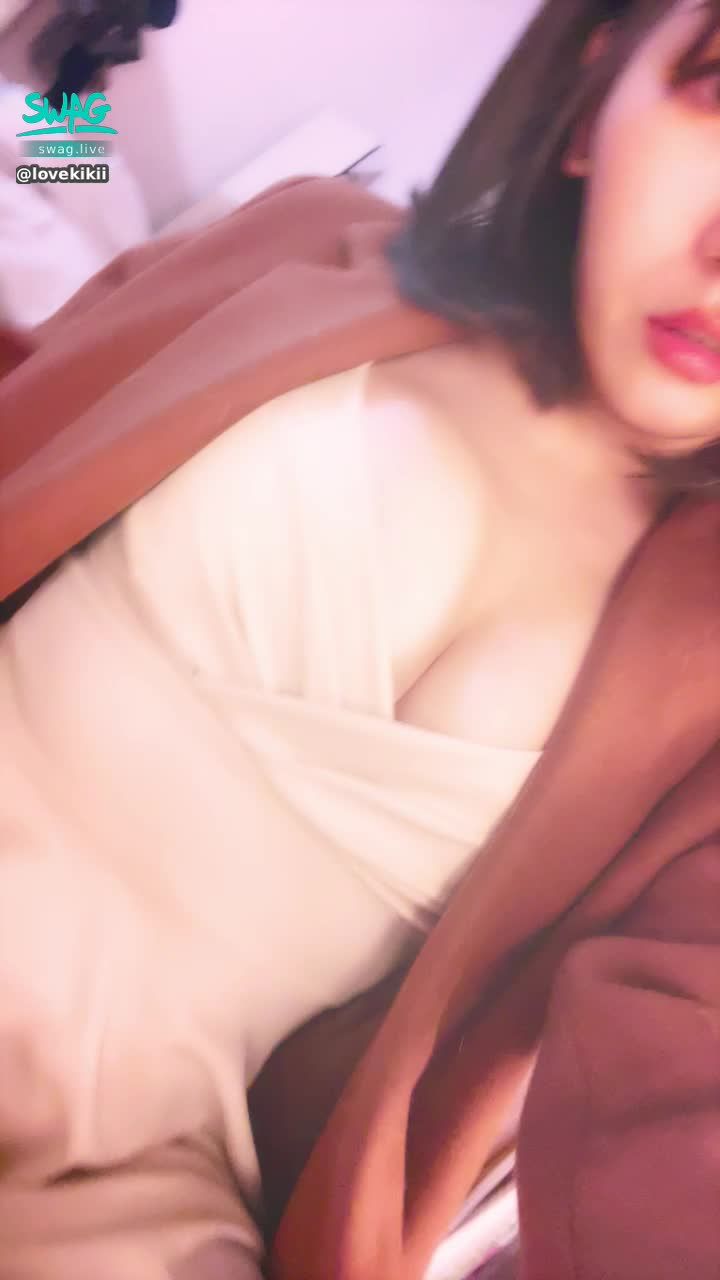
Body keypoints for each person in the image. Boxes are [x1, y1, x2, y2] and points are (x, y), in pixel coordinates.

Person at [1, 1, 719, 1277]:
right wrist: (54, 87)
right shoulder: (299, 239)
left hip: (115, 1201)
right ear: (595, 93)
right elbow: (48, 364)